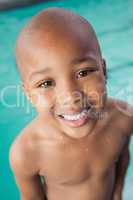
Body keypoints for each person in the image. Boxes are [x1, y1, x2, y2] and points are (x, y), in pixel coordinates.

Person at [9, 7, 133, 200]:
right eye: (46, 83)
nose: (70, 96)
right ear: (29, 95)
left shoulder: (124, 118)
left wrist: (117, 193)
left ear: (104, 70)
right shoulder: (27, 152)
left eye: (83, 72)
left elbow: (122, 156)